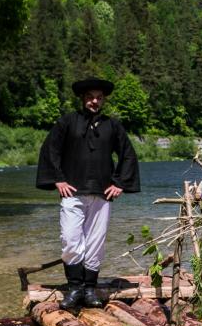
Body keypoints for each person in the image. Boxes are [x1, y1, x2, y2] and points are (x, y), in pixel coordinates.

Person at [36, 77, 141, 310]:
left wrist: (120, 183)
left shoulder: (112, 126)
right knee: (71, 241)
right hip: (72, 193)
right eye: (91, 97)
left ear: (103, 100)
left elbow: (128, 154)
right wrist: (58, 179)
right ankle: (74, 289)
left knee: (95, 244)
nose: (95, 101)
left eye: (99, 98)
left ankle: (90, 290)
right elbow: (50, 149)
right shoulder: (67, 122)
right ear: (83, 98)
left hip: (102, 194)